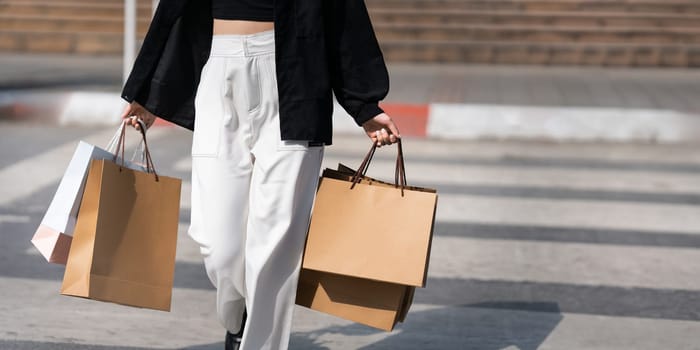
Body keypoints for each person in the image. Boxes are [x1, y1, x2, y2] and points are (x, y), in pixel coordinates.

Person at [119, 1, 400, 349]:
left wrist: (365, 105)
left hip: (296, 79)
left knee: (276, 243)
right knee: (219, 244)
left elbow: (343, 14)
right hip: (219, 70)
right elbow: (175, 8)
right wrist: (148, 93)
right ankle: (240, 317)